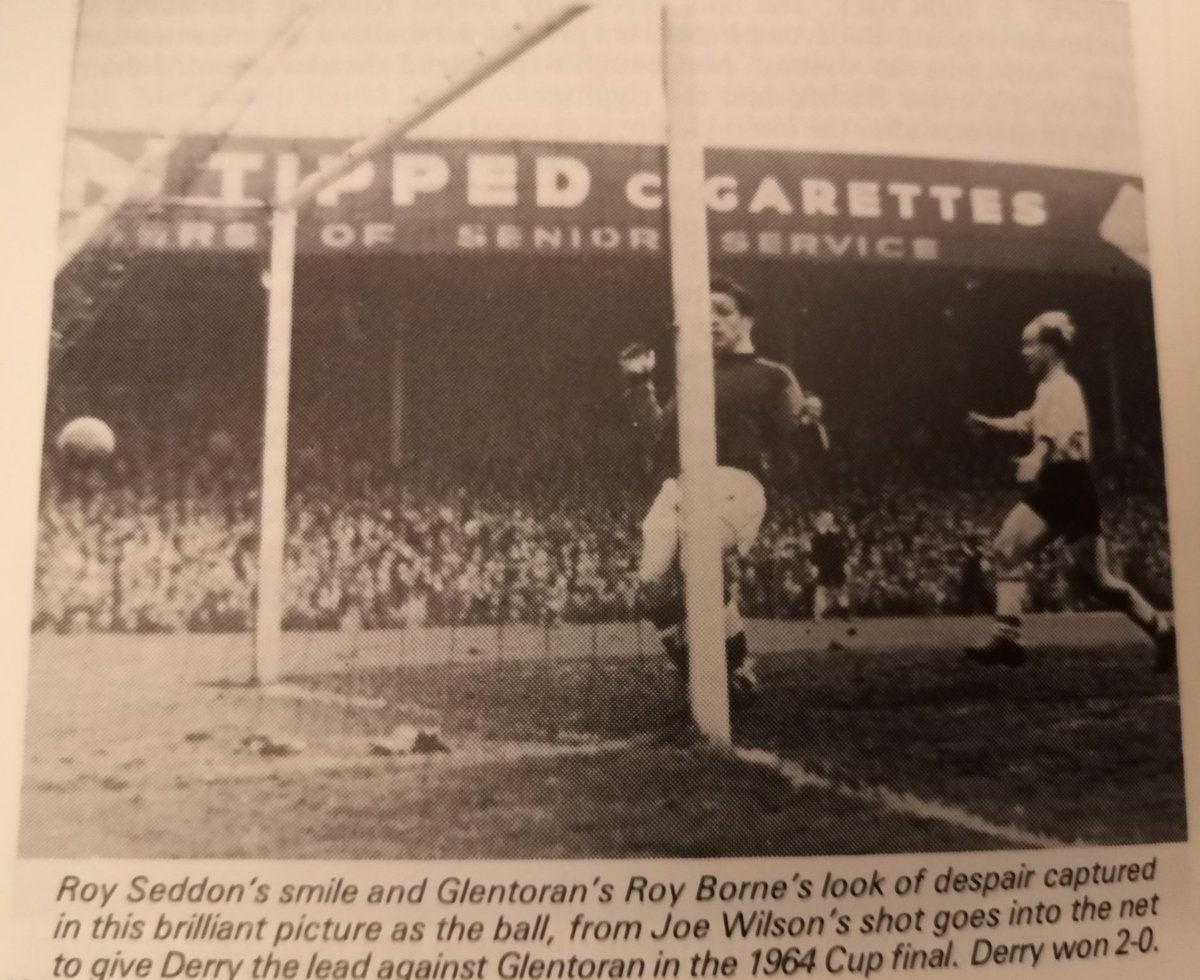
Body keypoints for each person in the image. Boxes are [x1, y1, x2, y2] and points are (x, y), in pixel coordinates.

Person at [619, 275, 824, 713]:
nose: (711, 320)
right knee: (651, 587)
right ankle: (718, 668)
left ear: (747, 319)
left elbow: (805, 445)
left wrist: (811, 426)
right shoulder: (693, 374)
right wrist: (640, 384)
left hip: (737, 484)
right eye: (705, 312)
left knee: (701, 560)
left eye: (723, 311)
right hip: (683, 484)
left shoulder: (771, 375)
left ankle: (731, 672)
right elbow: (656, 434)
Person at [964, 311, 1175, 672]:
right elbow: (1026, 422)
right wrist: (990, 424)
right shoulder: (1047, 389)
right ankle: (1009, 638)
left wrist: (1035, 458)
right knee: (1021, 553)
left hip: (1070, 484)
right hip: (1062, 485)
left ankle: (1160, 628)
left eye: (1030, 344)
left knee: (1090, 578)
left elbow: (1051, 436)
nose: (1024, 352)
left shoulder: (1064, 387)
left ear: (1050, 347)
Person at [810, 510, 850, 622]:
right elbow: (814, 554)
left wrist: (845, 564)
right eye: (827, 519)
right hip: (824, 566)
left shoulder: (837, 535)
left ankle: (845, 613)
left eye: (831, 519)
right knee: (821, 589)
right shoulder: (817, 536)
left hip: (837, 566)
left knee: (841, 589)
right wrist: (814, 567)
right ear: (822, 520)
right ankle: (817, 615)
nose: (829, 521)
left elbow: (842, 552)